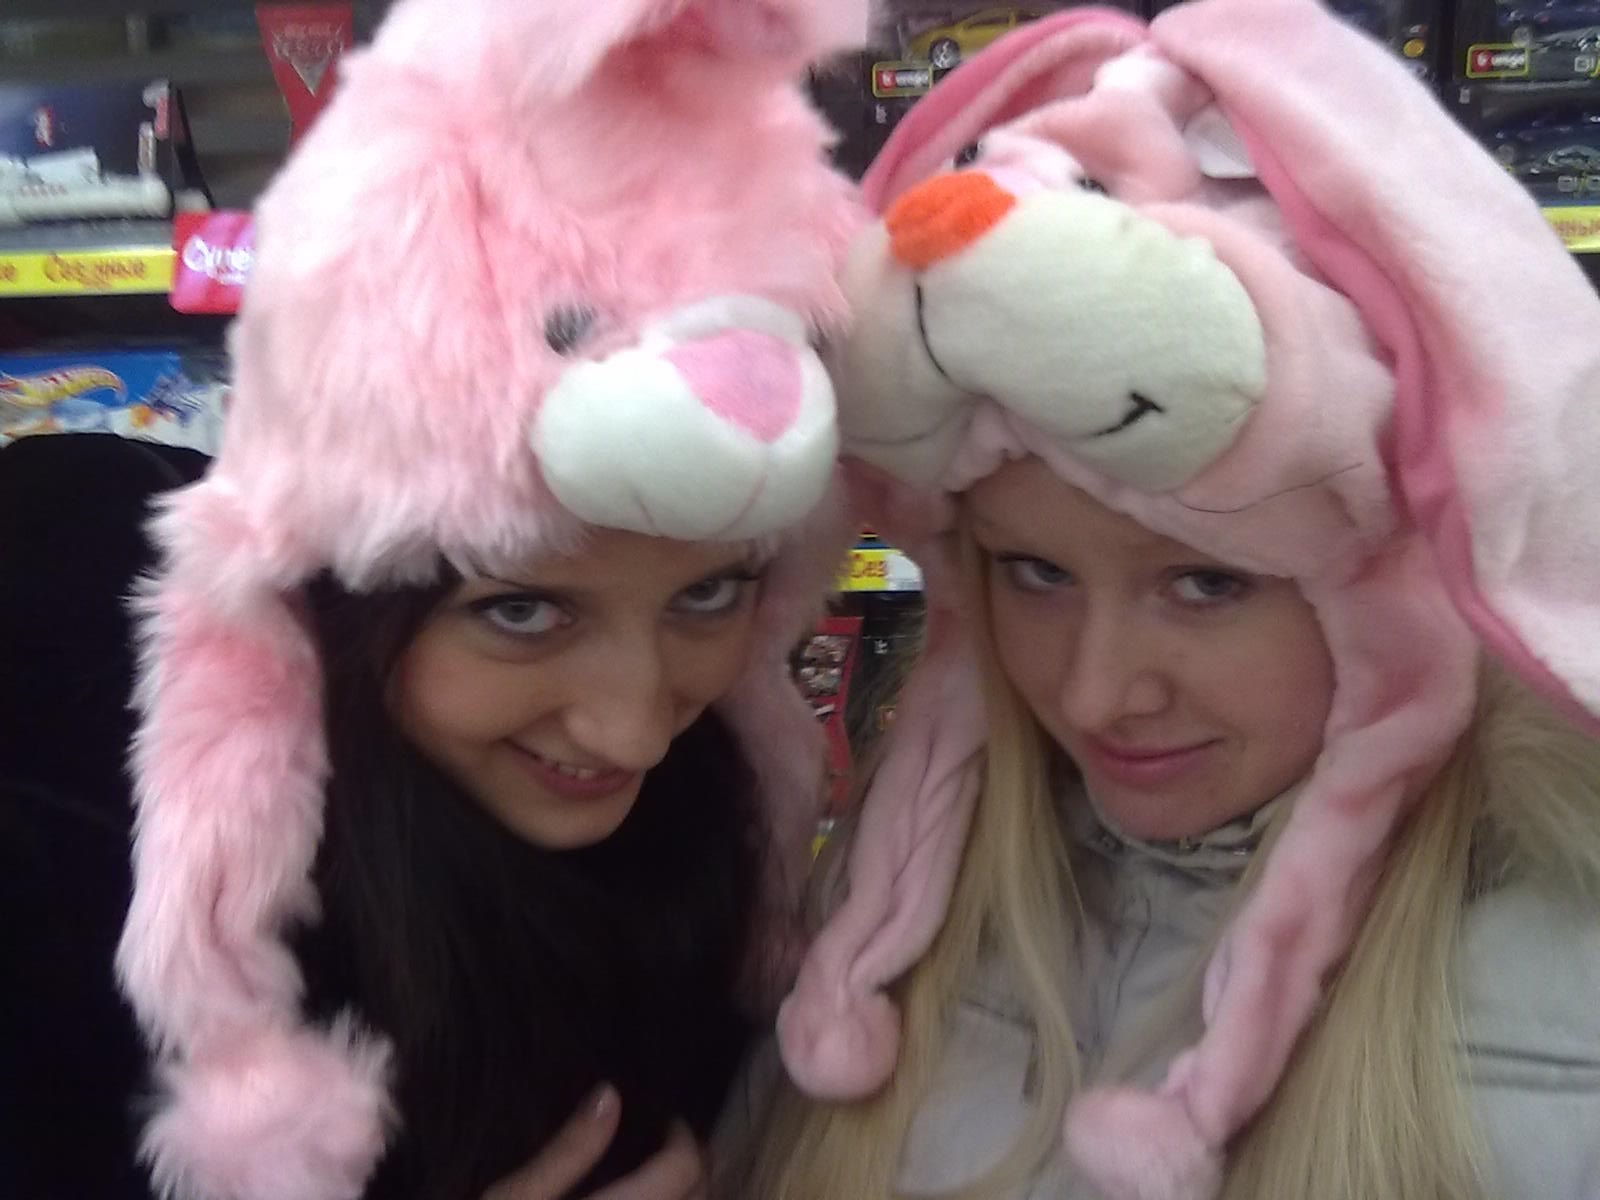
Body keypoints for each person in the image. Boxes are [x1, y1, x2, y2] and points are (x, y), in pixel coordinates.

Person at [0, 1, 874, 1199]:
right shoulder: (74, 883)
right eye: (522, 612)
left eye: (709, 594)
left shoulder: (714, 833)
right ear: (335, 589)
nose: (631, 730)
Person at [728, 1, 1600, 1198]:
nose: (1096, 694)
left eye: (1205, 584)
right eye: (1035, 573)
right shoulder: (880, 915)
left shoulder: (1565, 999)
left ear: (1396, 584)